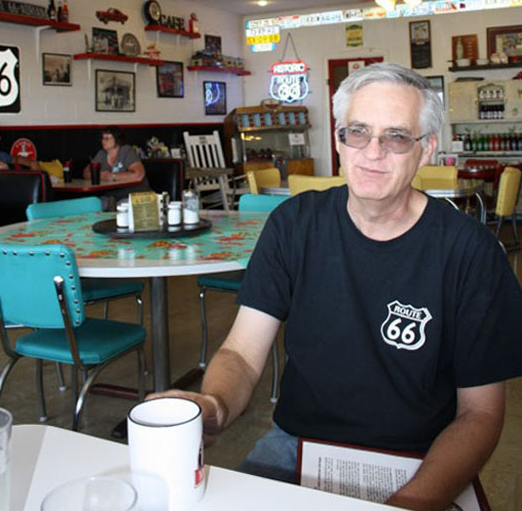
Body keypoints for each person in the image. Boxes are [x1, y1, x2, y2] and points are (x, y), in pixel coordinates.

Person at [152, 62, 522, 511]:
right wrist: (216, 404)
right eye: (358, 132)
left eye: (396, 137)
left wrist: (409, 502)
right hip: (295, 444)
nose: (372, 152)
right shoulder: (294, 225)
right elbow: (242, 354)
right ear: (339, 141)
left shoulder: (471, 253)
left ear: (426, 149)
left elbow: (481, 413)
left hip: (420, 457)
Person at [83, 126, 149, 208]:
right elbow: (86, 173)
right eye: (103, 138)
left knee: (120, 206)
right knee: (93, 205)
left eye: (107, 138)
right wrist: (103, 176)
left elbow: (138, 175)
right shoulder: (101, 154)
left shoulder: (126, 151)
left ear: (117, 139)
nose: (103, 141)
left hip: (134, 195)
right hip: (111, 197)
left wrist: (112, 176)